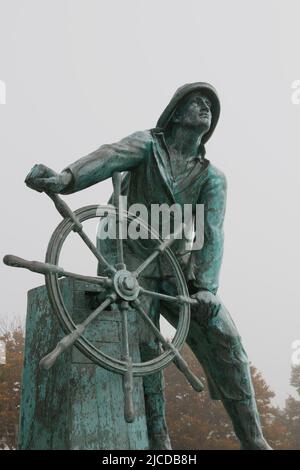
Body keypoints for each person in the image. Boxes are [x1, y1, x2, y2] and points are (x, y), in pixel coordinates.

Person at [25, 82, 272, 450]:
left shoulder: (211, 178)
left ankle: (253, 440)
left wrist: (205, 287)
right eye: (196, 102)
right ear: (175, 113)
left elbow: (212, 232)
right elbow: (108, 157)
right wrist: (66, 179)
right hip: (128, 258)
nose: (205, 107)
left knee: (227, 338)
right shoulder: (147, 145)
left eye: (210, 106)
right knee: (145, 348)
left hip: (177, 267)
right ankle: (159, 441)